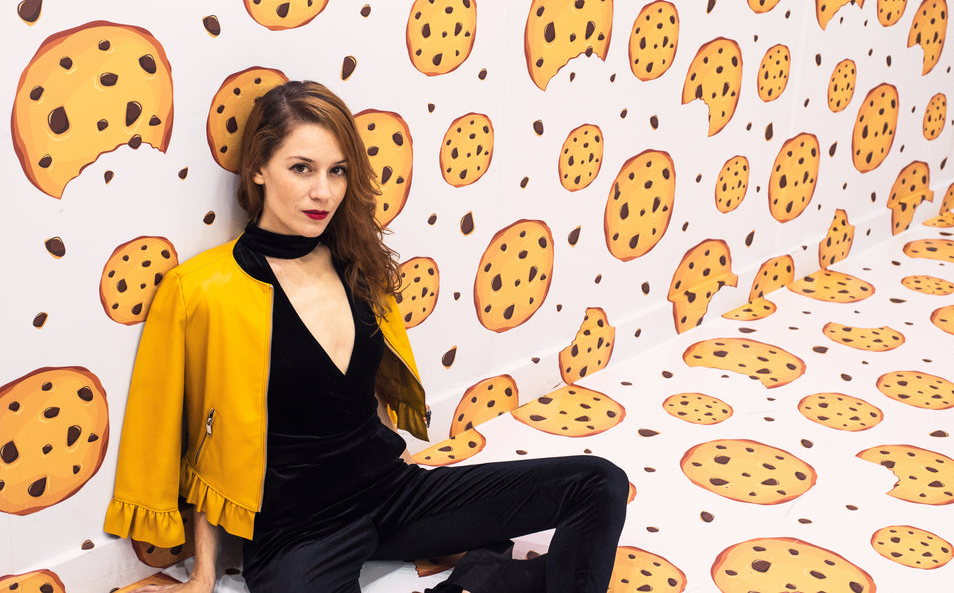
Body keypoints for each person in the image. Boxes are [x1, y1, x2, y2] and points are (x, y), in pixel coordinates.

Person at [104, 80, 628, 592]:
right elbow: (203, 439)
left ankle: (486, 574)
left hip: (392, 494)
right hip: (296, 532)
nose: (323, 192)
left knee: (597, 483)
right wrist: (201, 575)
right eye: (301, 168)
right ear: (259, 169)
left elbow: (366, 399)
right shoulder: (202, 290)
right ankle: (485, 576)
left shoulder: (358, 264)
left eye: (337, 171)